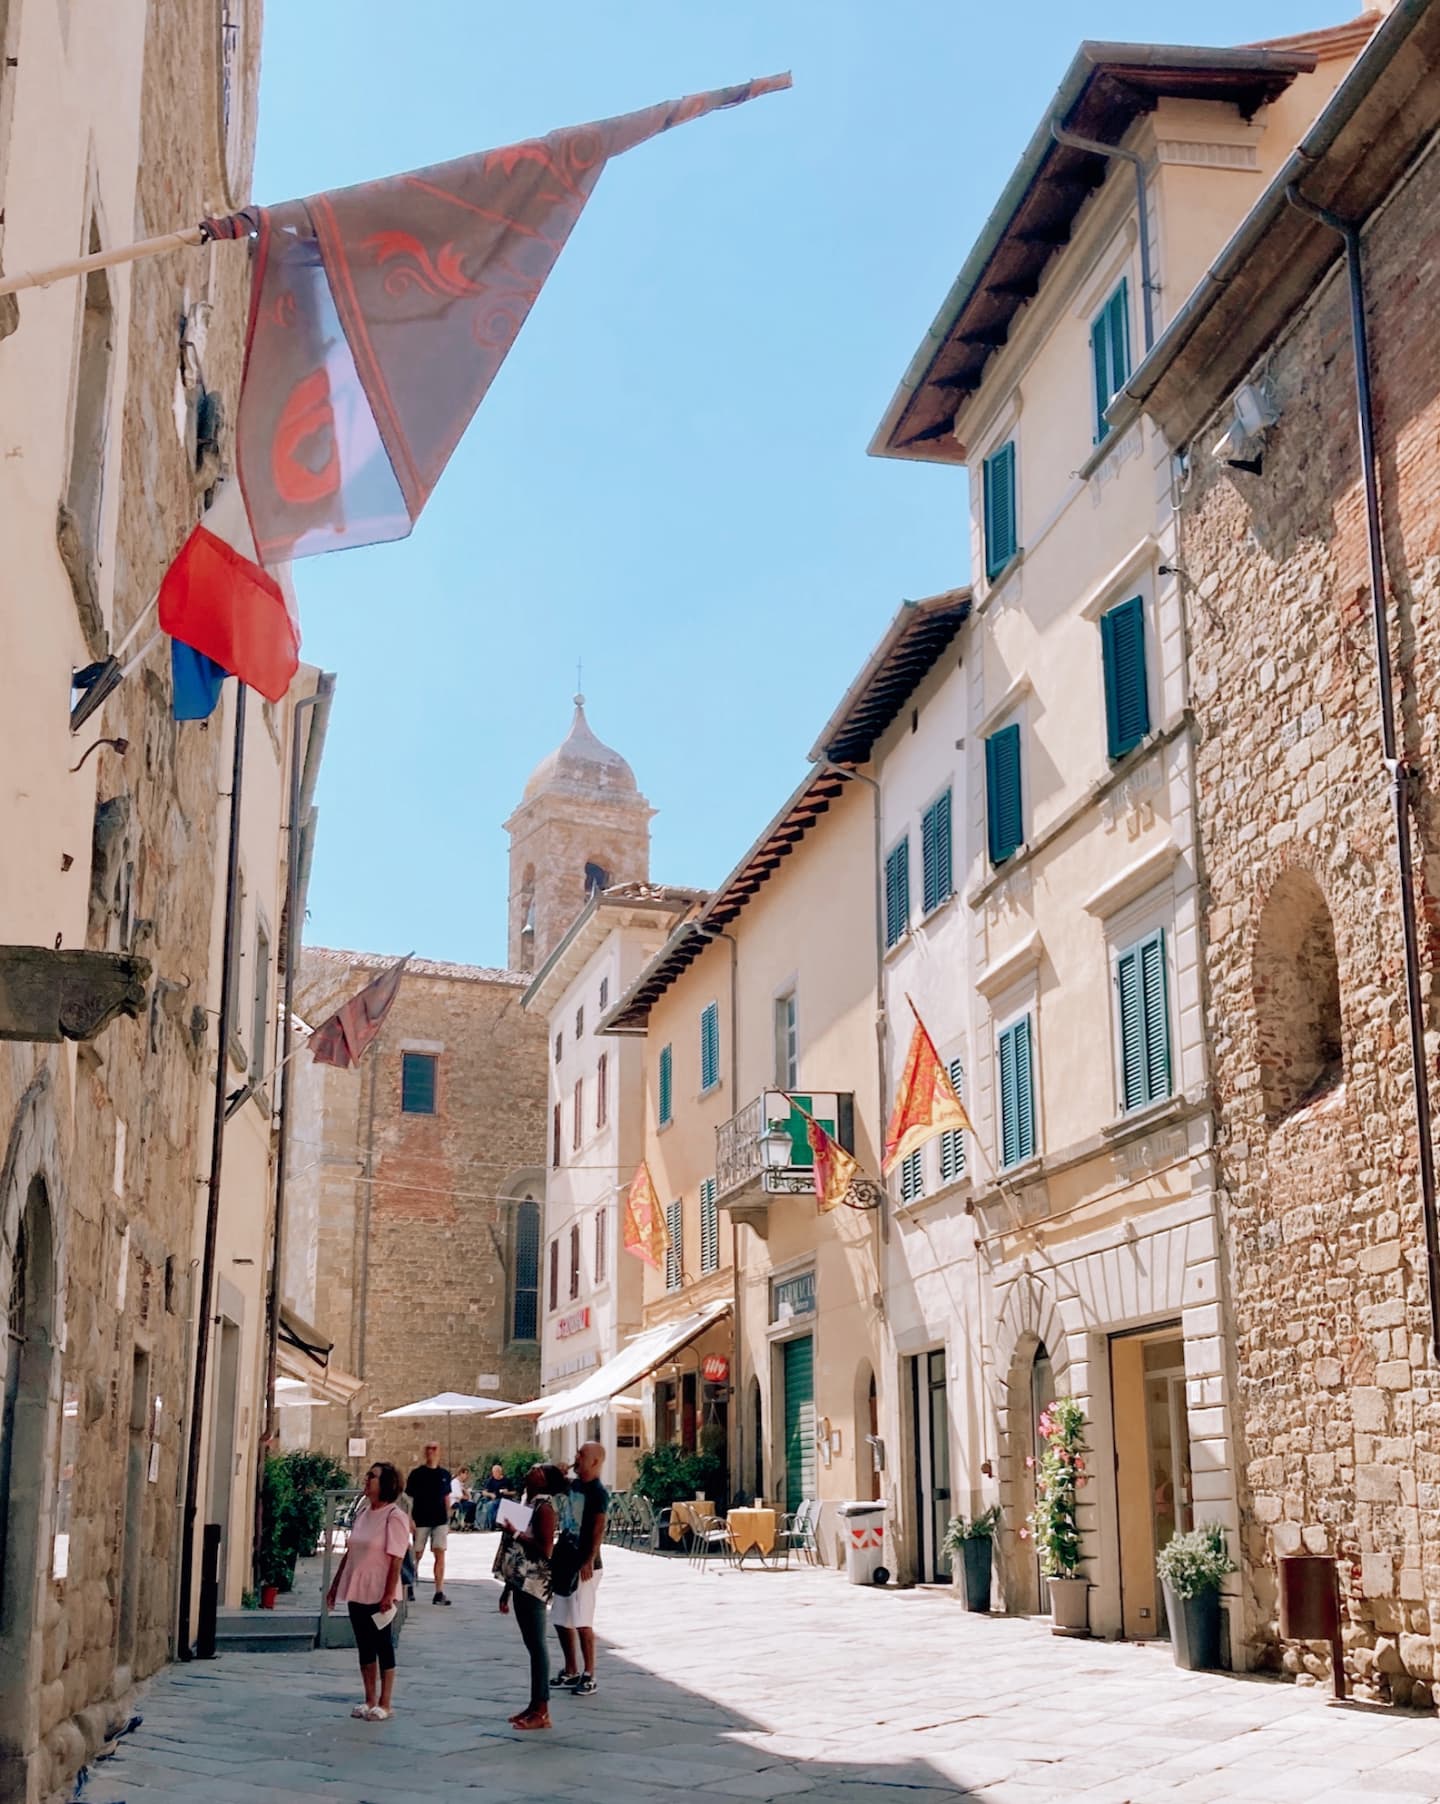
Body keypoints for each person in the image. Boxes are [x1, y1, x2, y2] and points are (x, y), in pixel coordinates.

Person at [326, 1461, 409, 1722]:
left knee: (383, 1644)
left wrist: (388, 1594)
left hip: (379, 1588)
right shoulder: (363, 1512)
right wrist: (335, 1584)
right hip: (358, 1585)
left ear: (385, 1483)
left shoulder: (395, 1516)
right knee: (363, 1644)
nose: (366, 1480)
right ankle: (369, 1698)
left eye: (372, 1477)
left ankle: (385, 1702)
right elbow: (350, 1551)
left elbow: (396, 1557)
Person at [499, 1463, 570, 1731]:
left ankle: (542, 1708)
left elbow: (546, 1548)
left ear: (543, 1480)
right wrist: (507, 1588)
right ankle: (534, 1703)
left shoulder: (545, 1509)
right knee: (531, 1645)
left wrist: (516, 1532)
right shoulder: (529, 1504)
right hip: (520, 1581)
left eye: (537, 1469)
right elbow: (515, 1552)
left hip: (534, 1583)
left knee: (537, 1645)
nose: (530, 1469)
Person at [553, 1440, 608, 1697]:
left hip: (585, 1562)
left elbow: (598, 1528)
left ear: (595, 1461)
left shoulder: (597, 1492)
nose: (577, 1457)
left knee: (583, 1619)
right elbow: (549, 1481)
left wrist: (589, 1559)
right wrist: (560, 1470)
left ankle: (589, 1673)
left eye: (582, 1455)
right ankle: (570, 1669)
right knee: (561, 1617)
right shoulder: (574, 1485)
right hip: (564, 1556)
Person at [405, 1442, 453, 1604]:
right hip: (420, 1519)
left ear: (439, 1452)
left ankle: (439, 1591)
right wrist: (409, 1519)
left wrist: (448, 1519)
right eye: (428, 1449)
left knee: (440, 1552)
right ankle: (409, 1584)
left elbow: (446, 1497)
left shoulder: (445, 1474)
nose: (431, 1452)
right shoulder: (417, 1474)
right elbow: (408, 1499)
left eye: (434, 1449)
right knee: (416, 1554)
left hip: (439, 1520)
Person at [479, 1462, 511, 1530]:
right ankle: (492, 1526)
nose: (494, 1474)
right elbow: (484, 1492)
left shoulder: (506, 1480)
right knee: (490, 1505)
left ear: (500, 1472)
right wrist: (490, 1494)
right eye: (493, 1472)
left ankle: (498, 1525)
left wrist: (507, 1492)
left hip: (505, 1499)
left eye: (496, 1472)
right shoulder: (491, 1480)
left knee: (494, 1505)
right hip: (495, 1499)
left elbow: (514, 1492)